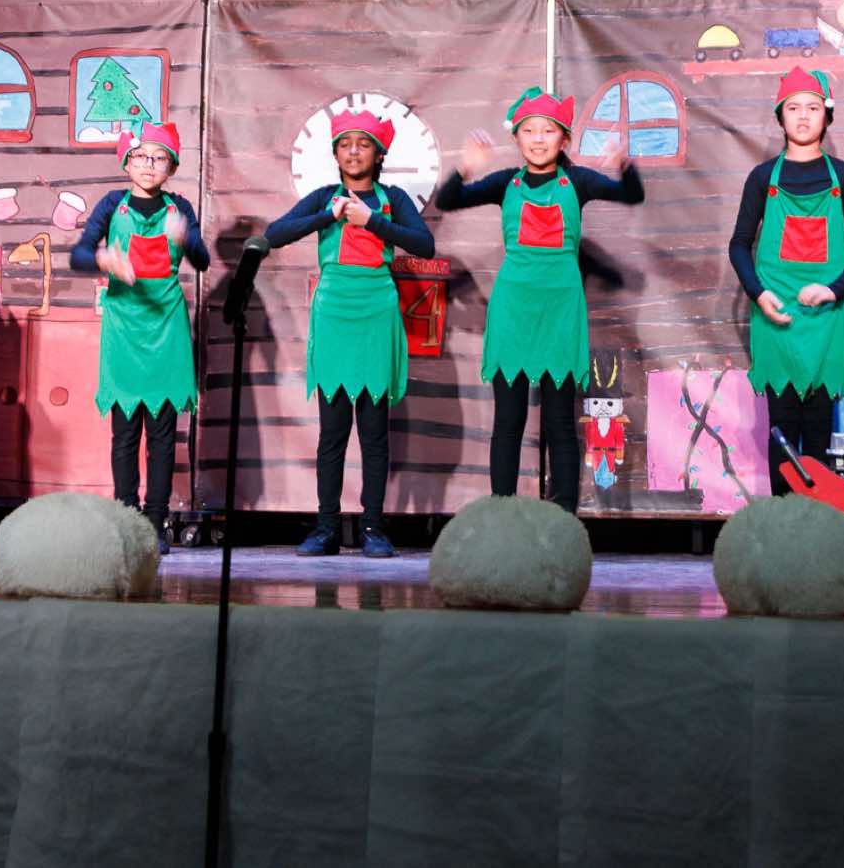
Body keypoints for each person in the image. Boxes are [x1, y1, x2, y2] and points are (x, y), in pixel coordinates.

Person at [435, 88, 644, 513]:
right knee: (508, 422)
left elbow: (631, 195)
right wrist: (464, 168)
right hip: (513, 310)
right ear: (516, 139)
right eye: (528, 131)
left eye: (548, 131)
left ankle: (563, 518)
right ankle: (503, 515)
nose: (537, 139)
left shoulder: (578, 182)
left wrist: (624, 165)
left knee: (560, 423)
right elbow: (448, 200)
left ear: (563, 139)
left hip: (560, 312)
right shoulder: (505, 183)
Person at [265, 109, 435, 558]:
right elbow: (275, 233)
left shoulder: (393, 198)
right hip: (335, 313)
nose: (354, 152)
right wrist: (328, 216)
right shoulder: (325, 196)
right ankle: (326, 528)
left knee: (374, 432)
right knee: (333, 430)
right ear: (335, 153)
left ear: (378, 154)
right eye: (345, 144)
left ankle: (373, 527)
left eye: (363, 144)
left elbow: (425, 244)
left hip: (376, 310)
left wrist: (371, 220)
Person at [727, 66, 844, 496]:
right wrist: (759, 294)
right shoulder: (763, 178)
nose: (803, 116)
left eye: (813, 108)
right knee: (781, 427)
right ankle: (783, 518)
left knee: (817, 427)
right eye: (793, 108)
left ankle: (816, 517)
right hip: (777, 318)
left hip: (825, 319)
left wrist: (834, 288)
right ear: (780, 116)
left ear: (826, 116)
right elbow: (738, 245)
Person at [70, 121, 209, 555]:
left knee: (163, 434)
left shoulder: (179, 207)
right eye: (141, 156)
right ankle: (126, 519)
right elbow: (78, 254)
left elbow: (203, 260)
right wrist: (103, 258)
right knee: (125, 432)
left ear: (172, 167)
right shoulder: (112, 204)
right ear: (126, 162)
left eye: (159, 158)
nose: (149, 164)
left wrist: (185, 239)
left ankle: (154, 522)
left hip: (165, 326)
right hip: (125, 327)